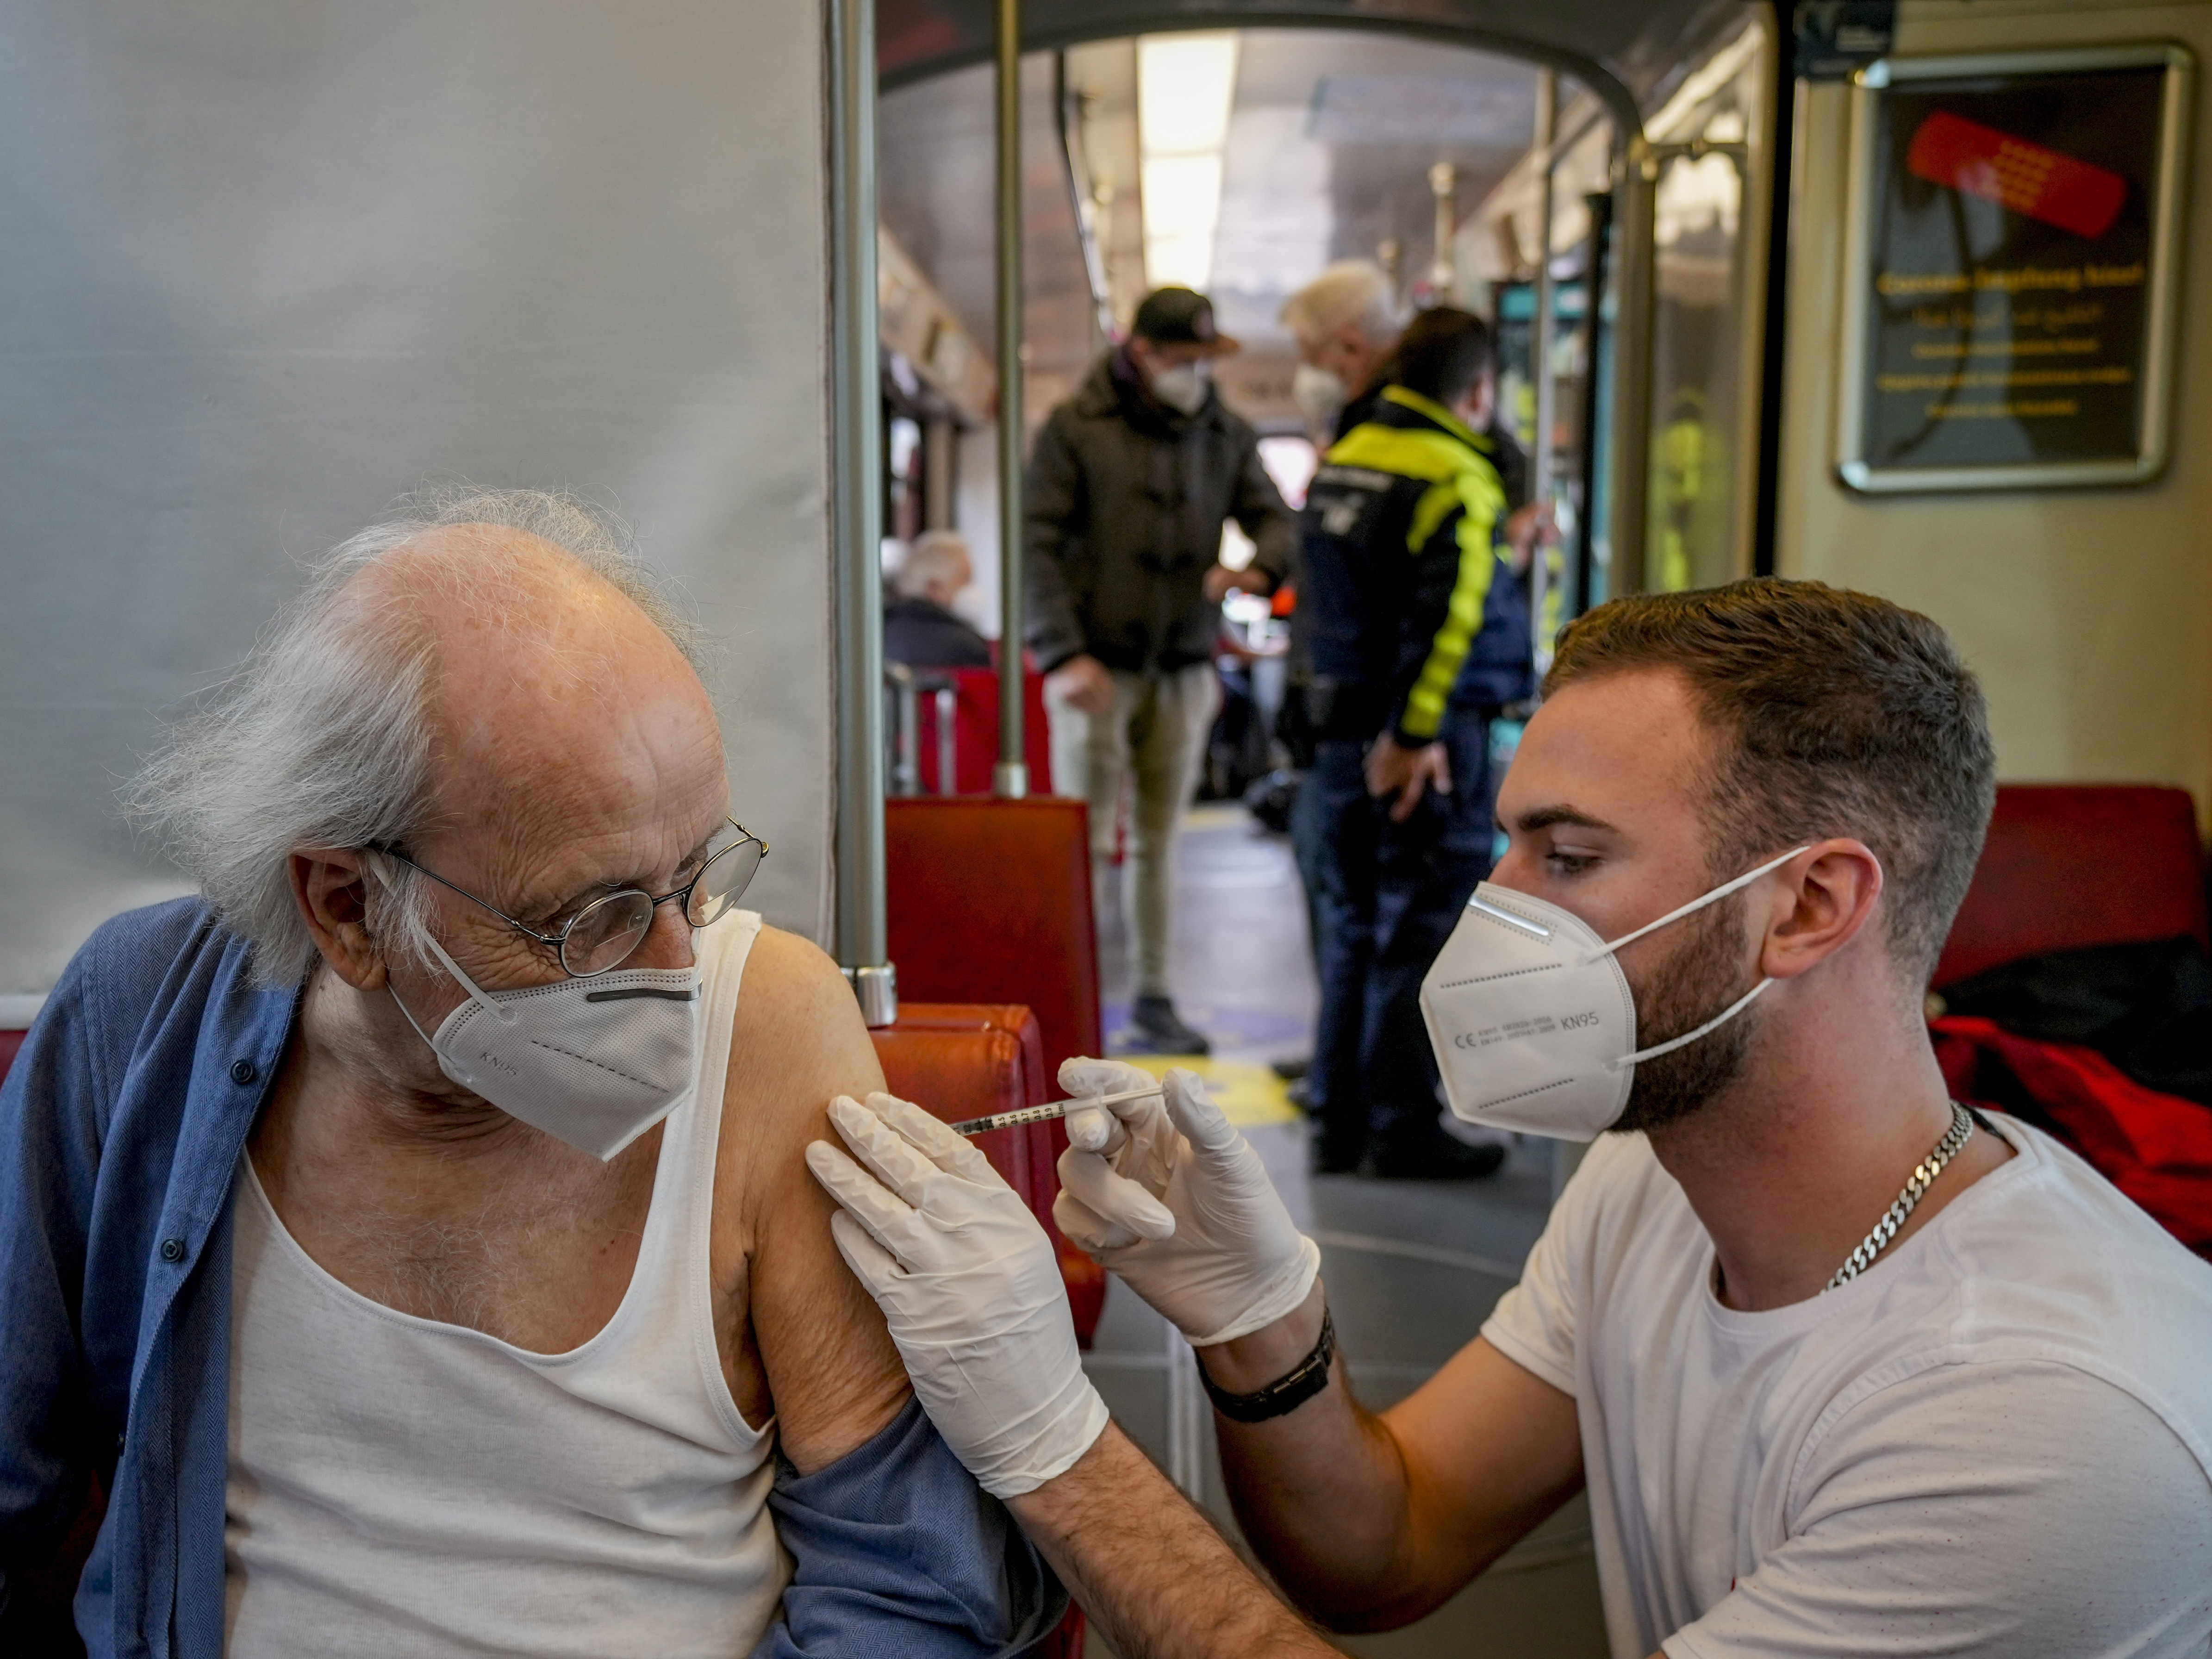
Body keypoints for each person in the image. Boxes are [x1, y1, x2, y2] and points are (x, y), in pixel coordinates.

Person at [813, 578, 2212, 1659]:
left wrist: (1054, 1446)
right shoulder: (1655, 1184)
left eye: (1572, 856)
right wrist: (1259, 1321)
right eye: (1510, 846)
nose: (1496, 912)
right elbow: (1390, 1544)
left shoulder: (2040, 1424)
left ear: (1809, 905)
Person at [0, 490, 1065, 1658]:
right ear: (347, 908)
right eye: (589, 918)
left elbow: (907, 1589)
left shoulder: (769, 1032)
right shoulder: (136, 1020)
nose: (677, 968)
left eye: (694, 875)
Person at [1295, 307, 1545, 1178]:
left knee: (1353, 924)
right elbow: (1447, 619)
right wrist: (1415, 731)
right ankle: (1400, 1124)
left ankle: (1334, 1121)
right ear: (1477, 390)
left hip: (1335, 733)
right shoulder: (1457, 478)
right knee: (1420, 927)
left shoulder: (1348, 458)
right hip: (1422, 743)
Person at [1027, 285, 1298, 1056]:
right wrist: (1060, 651)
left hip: (1182, 666)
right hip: (1092, 669)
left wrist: (1258, 570)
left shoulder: (1224, 433)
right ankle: (1067, 995)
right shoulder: (1075, 431)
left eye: (1202, 359)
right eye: (1182, 358)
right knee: (1079, 841)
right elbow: (1035, 545)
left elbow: (1276, 518)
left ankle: (1152, 995)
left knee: (1157, 839)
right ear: (1140, 351)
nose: (1194, 372)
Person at [884, 529, 992, 669]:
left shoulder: (882, 633)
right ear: (935, 588)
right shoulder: (966, 647)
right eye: (964, 580)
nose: (971, 590)